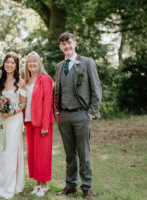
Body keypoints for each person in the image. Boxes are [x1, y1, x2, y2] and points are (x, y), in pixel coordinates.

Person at [54, 32, 102, 200]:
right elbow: (58, 91)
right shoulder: (59, 66)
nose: (67, 46)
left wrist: (91, 113)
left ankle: (87, 187)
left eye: (69, 43)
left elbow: (97, 90)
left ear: (75, 43)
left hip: (82, 114)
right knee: (69, 154)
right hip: (64, 116)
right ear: (60, 47)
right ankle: (70, 185)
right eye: (63, 44)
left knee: (84, 153)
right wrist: (57, 112)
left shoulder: (87, 62)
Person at [0, 52, 26, 199]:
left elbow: (23, 103)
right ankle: (0, 184)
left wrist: (11, 112)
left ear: (16, 66)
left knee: (11, 152)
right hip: (1, 119)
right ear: (4, 63)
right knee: (0, 151)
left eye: (13, 63)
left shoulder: (20, 82)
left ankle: (11, 186)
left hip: (14, 119)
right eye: (7, 62)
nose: (9, 65)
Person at [24, 51, 54, 197]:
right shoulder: (26, 81)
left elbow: (48, 103)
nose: (32, 64)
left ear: (39, 63)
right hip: (29, 121)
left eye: (35, 61)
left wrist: (44, 126)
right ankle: (37, 183)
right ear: (27, 64)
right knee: (32, 154)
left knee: (42, 154)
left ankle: (44, 184)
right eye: (30, 61)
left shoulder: (45, 79)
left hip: (42, 122)